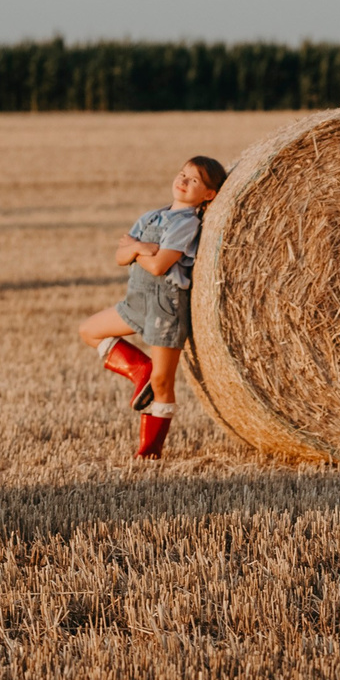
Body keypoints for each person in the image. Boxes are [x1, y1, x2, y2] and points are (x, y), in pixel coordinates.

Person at [77, 155, 226, 457]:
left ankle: (150, 450)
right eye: (182, 174)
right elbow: (119, 257)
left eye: (194, 180)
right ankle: (138, 369)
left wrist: (134, 248)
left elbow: (159, 266)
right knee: (89, 331)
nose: (183, 181)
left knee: (162, 381)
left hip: (165, 308)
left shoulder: (187, 224)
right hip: (137, 301)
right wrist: (137, 248)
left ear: (209, 195)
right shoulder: (150, 218)